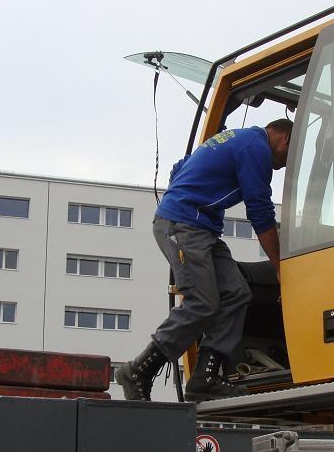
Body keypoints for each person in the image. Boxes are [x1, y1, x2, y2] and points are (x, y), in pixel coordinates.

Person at [115, 118, 292, 402]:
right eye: (287, 158)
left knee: (236, 292)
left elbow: (179, 167)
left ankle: (205, 378)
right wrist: (280, 267)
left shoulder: (232, 139)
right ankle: (138, 370)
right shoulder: (255, 147)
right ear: (285, 139)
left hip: (200, 227)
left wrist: (189, 194)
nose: (283, 165)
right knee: (203, 302)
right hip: (183, 225)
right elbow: (260, 212)